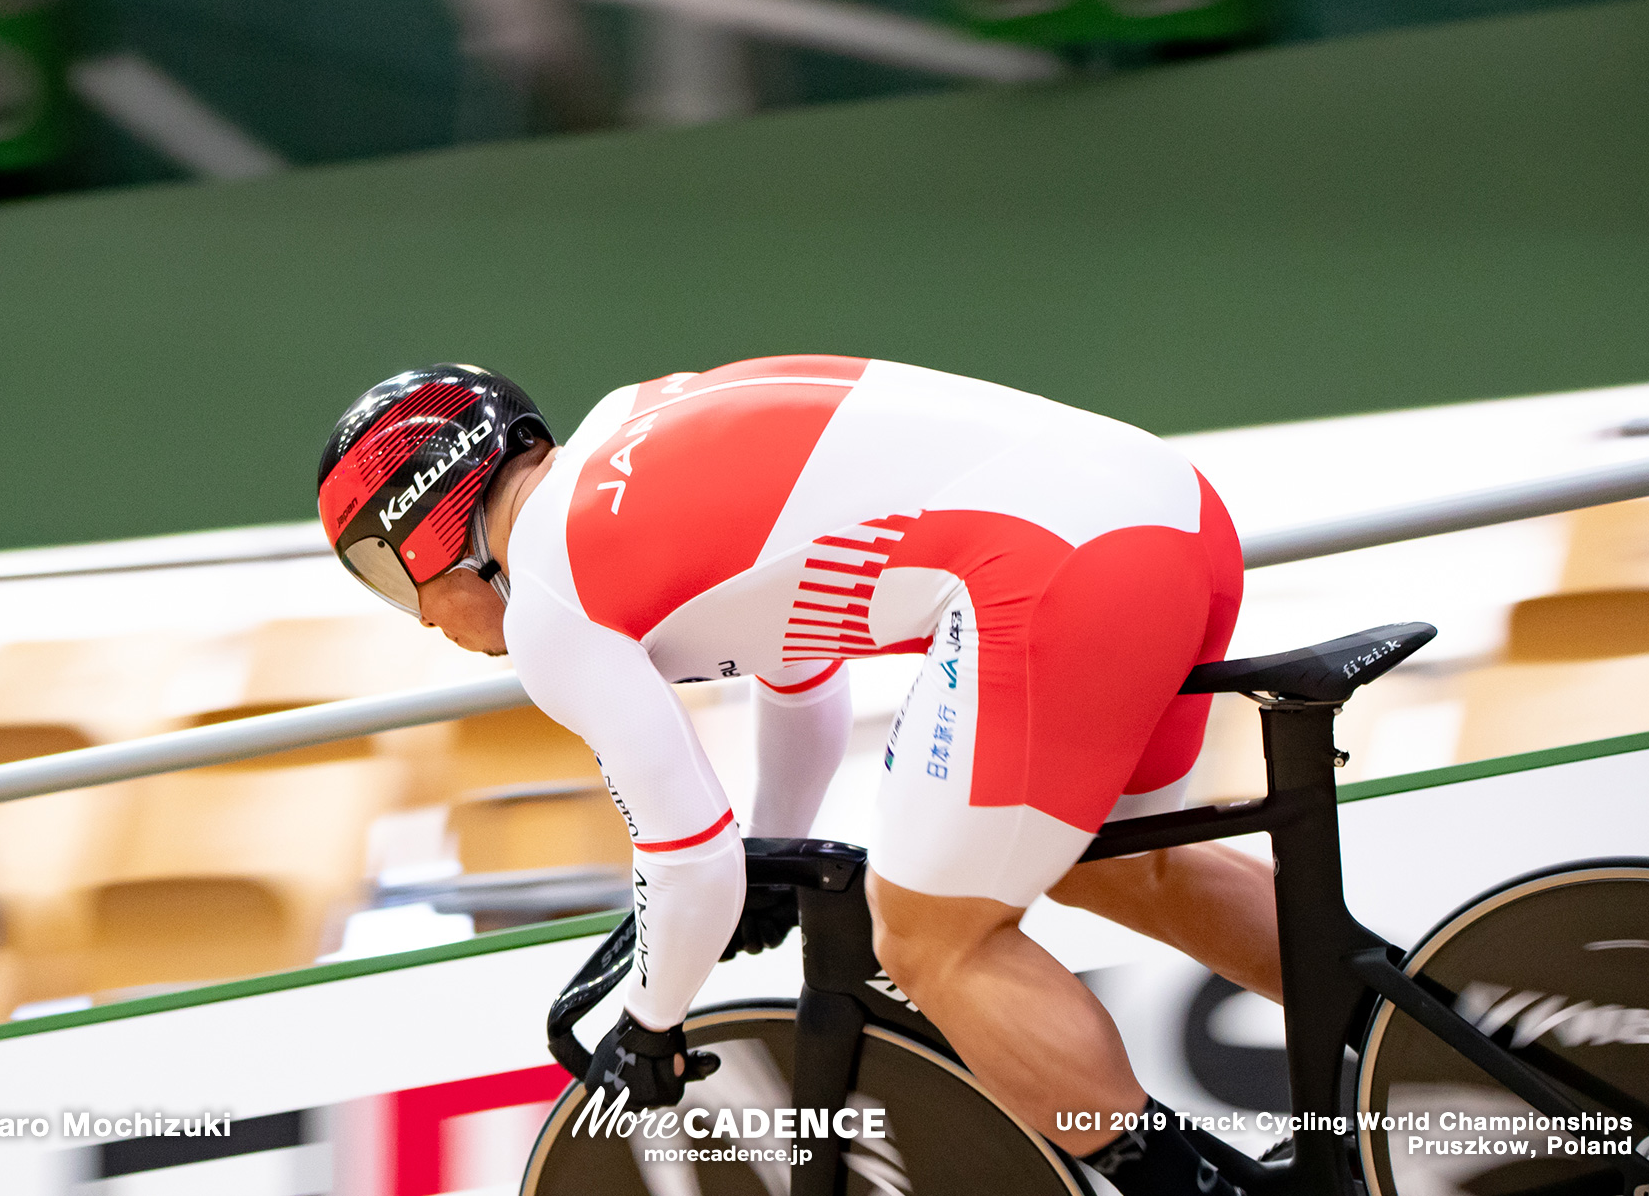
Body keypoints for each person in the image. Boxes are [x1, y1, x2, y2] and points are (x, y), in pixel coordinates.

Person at [318, 357, 1280, 1195]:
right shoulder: (625, 425)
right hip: (1168, 506)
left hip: (1057, 571)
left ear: (429, 533)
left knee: (931, 941)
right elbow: (802, 679)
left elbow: (690, 860)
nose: (426, 620)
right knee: (1114, 861)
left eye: (390, 579)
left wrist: (651, 1025)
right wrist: (773, 842)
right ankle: (1387, 1043)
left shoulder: (549, 606)